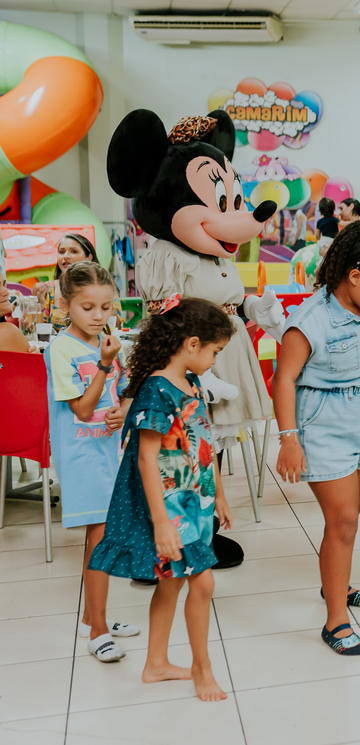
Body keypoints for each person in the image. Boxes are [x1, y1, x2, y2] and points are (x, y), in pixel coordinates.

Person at [88, 297, 234, 701]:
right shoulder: (156, 390)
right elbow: (146, 459)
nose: (215, 361)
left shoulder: (193, 383)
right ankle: (202, 669)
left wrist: (219, 494)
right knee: (202, 584)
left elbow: (206, 442)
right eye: (215, 352)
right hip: (171, 509)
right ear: (191, 344)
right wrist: (160, 522)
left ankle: (156, 664)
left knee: (171, 585)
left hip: (195, 501)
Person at [273, 221, 360, 654]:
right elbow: (284, 379)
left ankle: (339, 586)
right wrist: (289, 439)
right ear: (354, 276)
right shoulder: (310, 320)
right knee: (343, 519)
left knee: (350, 515)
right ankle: (335, 622)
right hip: (324, 421)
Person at [44, 263, 138, 663]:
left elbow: (121, 391)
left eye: (105, 307)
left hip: (108, 449)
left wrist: (124, 408)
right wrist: (102, 364)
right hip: (83, 456)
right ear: (66, 305)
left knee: (105, 536)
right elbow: (82, 409)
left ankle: (94, 615)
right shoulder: (61, 348)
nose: (98, 316)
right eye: (87, 307)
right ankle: (97, 631)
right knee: (98, 538)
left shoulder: (106, 339)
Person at [34, 233, 100, 332]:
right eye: (61, 252)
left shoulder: (103, 286)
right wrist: (40, 304)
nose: (66, 256)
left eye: (73, 251)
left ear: (89, 258)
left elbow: (116, 325)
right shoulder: (49, 288)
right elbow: (39, 333)